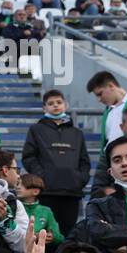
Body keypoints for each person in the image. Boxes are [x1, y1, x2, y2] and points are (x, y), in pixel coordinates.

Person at [22, 89, 89, 235]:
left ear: (65, 105)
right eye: (51, 103)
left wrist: (79, 179)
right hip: (47, 192)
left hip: (72, 193)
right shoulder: (36, 130)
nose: (55, 106)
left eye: (59, 102)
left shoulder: (77, 133)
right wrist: (42, 178)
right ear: (44, 108)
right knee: (46, 236)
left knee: (68, 234)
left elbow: (84, 161)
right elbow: (29, 157)